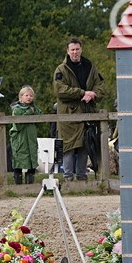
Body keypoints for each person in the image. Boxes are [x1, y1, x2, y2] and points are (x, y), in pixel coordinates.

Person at [54, 37, 105, 181]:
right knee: (68, 147)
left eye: (77, 49)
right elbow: (60, 91)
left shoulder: (90, 66)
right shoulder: (61, 70)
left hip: (87, 112)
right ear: (68, 51)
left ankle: (82, 178)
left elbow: (101, 85)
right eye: (72, 50)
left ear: (81, 49)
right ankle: (68, 179)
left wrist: (93, 94)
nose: (75, 52)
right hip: (68, 115)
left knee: (85, 146)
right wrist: (82, 93)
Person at [9, 85, 42, 184]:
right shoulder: (17, 110)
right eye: (26, 95)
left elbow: (40, 116)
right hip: (20, 139)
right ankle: (18, 180)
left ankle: (30, 180)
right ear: (21, 97)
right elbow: (18, 125)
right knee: (19, 159)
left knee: (32, 158)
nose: (29, 97)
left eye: (31, 95)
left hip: (31, 139)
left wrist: (33, 109)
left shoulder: (34, 109)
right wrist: (29, 112)